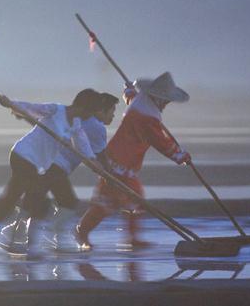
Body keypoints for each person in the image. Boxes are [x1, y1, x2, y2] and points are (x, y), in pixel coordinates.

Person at [0, 89, 112, 260]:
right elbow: (30, 108)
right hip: (23, 156)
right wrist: (10, 104)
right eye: (90, 113)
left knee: (21, 201)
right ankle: (17, 245)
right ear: (84, 109)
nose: (90, 118)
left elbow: (86, 152)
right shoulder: (55, 110)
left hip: (36, 164)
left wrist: (101, 170)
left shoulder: (76, 125)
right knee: (27, 201)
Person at [75, 72, 191, 250]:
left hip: (120, 159)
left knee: (116, 200)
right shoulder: (147, 118)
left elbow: (132, 101)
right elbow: (160, 141)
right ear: (156, 98)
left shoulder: (141, 105)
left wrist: (129, 92)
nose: (166, 104)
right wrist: (179, 155)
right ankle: (86, 232)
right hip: (121, 161)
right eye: (165, 100)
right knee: (127, 198)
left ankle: (125, 236)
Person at [0, 94, 118, 253]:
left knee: (36, 199)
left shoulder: (79, 121)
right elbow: (99, 155)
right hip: (57, 166)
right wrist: (108, 174)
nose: (113, 115)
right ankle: (48, 237)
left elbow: (88, 152)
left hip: (50, 164)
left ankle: (17, 234)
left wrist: (14, 107)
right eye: (111, 111)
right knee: (66, 202)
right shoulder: (96, 127)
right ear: (100, 111)